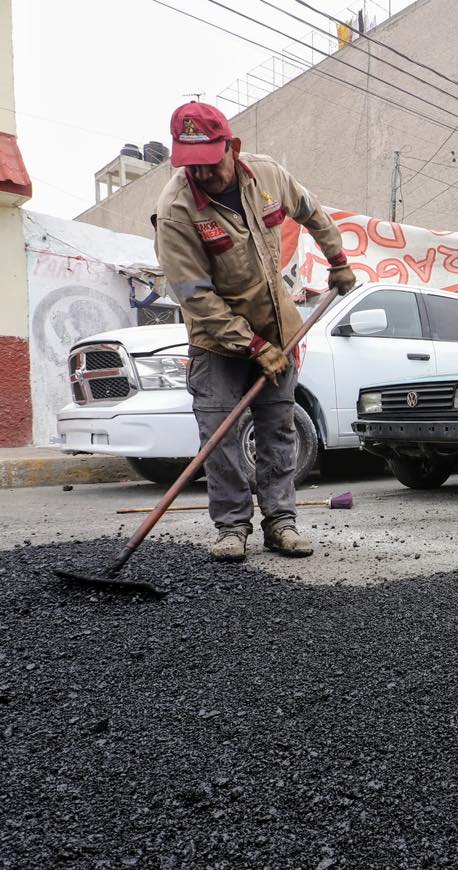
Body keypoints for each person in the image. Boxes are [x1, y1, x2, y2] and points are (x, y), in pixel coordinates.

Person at [154, 101, 356, 562]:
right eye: (191, 167)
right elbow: (194, 295)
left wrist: (338, 260)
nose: (201, 176)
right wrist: (251, 345)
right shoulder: (175, 210)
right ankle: (231, 528)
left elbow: (312, 211)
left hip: (277, 329)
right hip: (217, 340)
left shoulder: (267, 176)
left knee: (277, 429)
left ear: (232, 147)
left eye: (209, 164)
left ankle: (281, 523)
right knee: (219, 436)